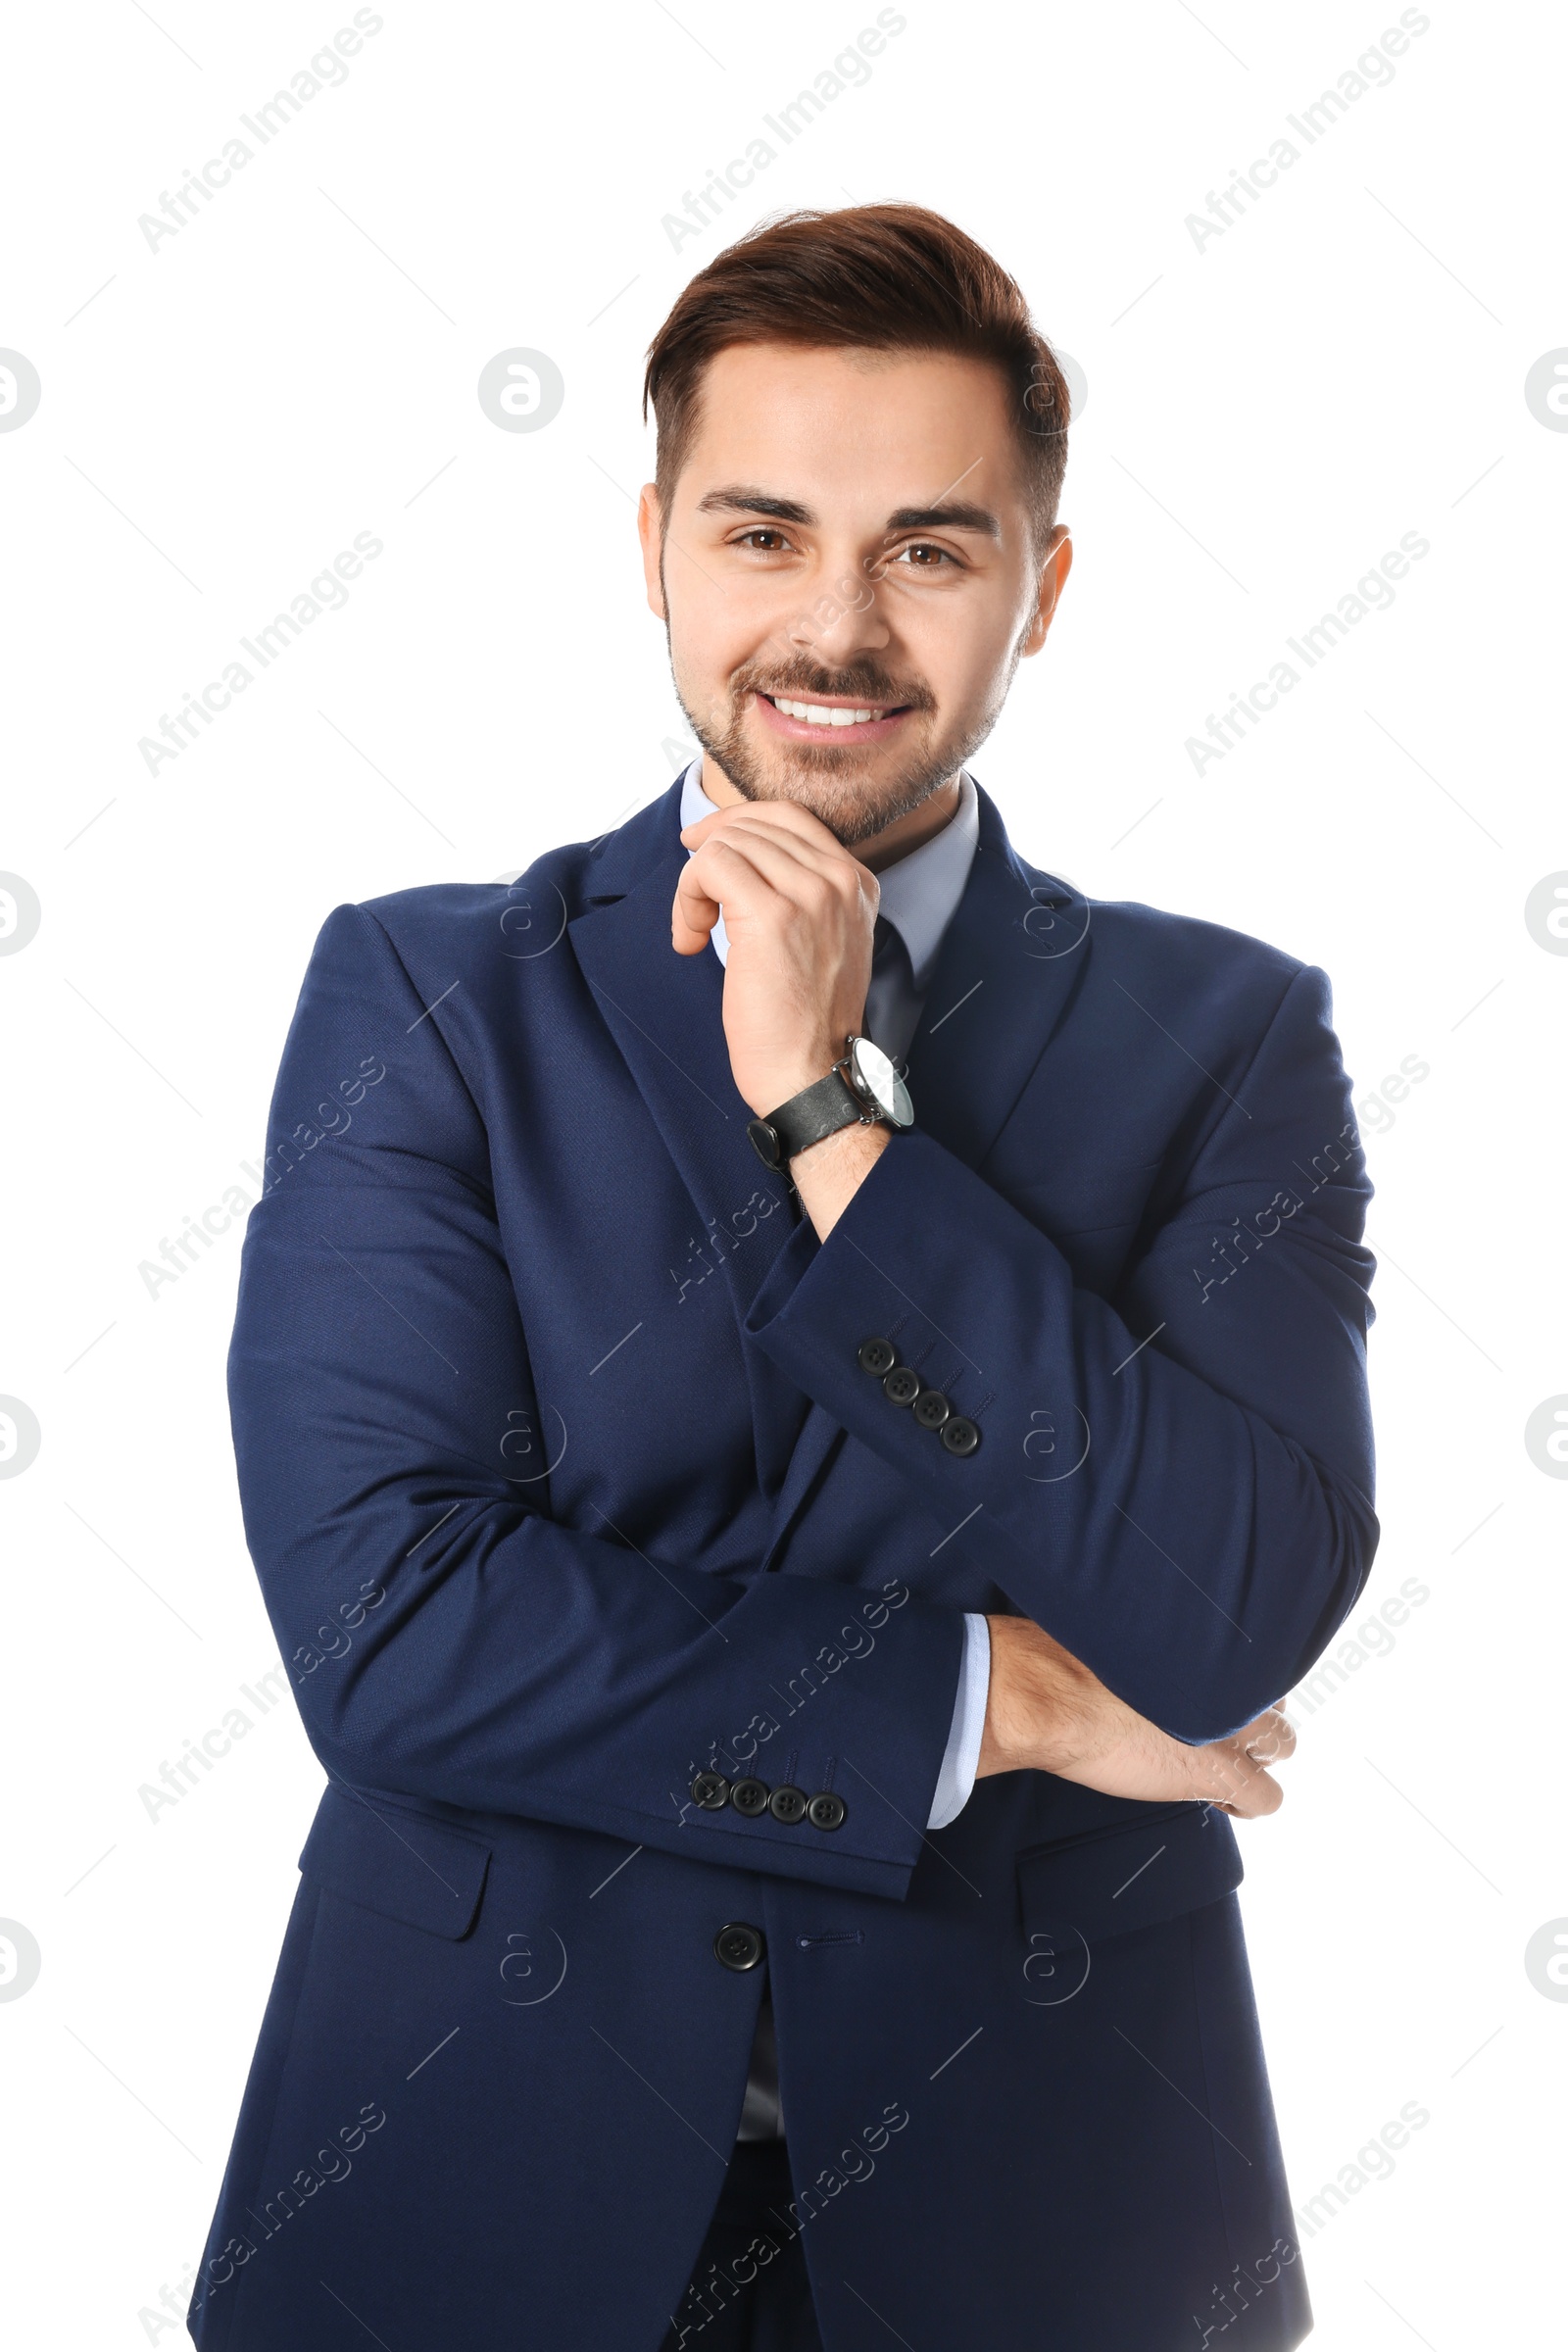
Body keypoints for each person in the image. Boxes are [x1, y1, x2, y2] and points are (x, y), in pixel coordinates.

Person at [189, 204, 1375, 2351]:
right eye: (762, 535)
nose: (834, 627)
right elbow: (392, 1630)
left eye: (927, 548)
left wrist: (830, 1116)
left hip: (1055, 2224)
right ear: (654, 545)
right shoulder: (428, 994)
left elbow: (1218, 1617)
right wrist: (990, 1696)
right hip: (469, 2178)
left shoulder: (1224, 1040)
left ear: (1043, 587)